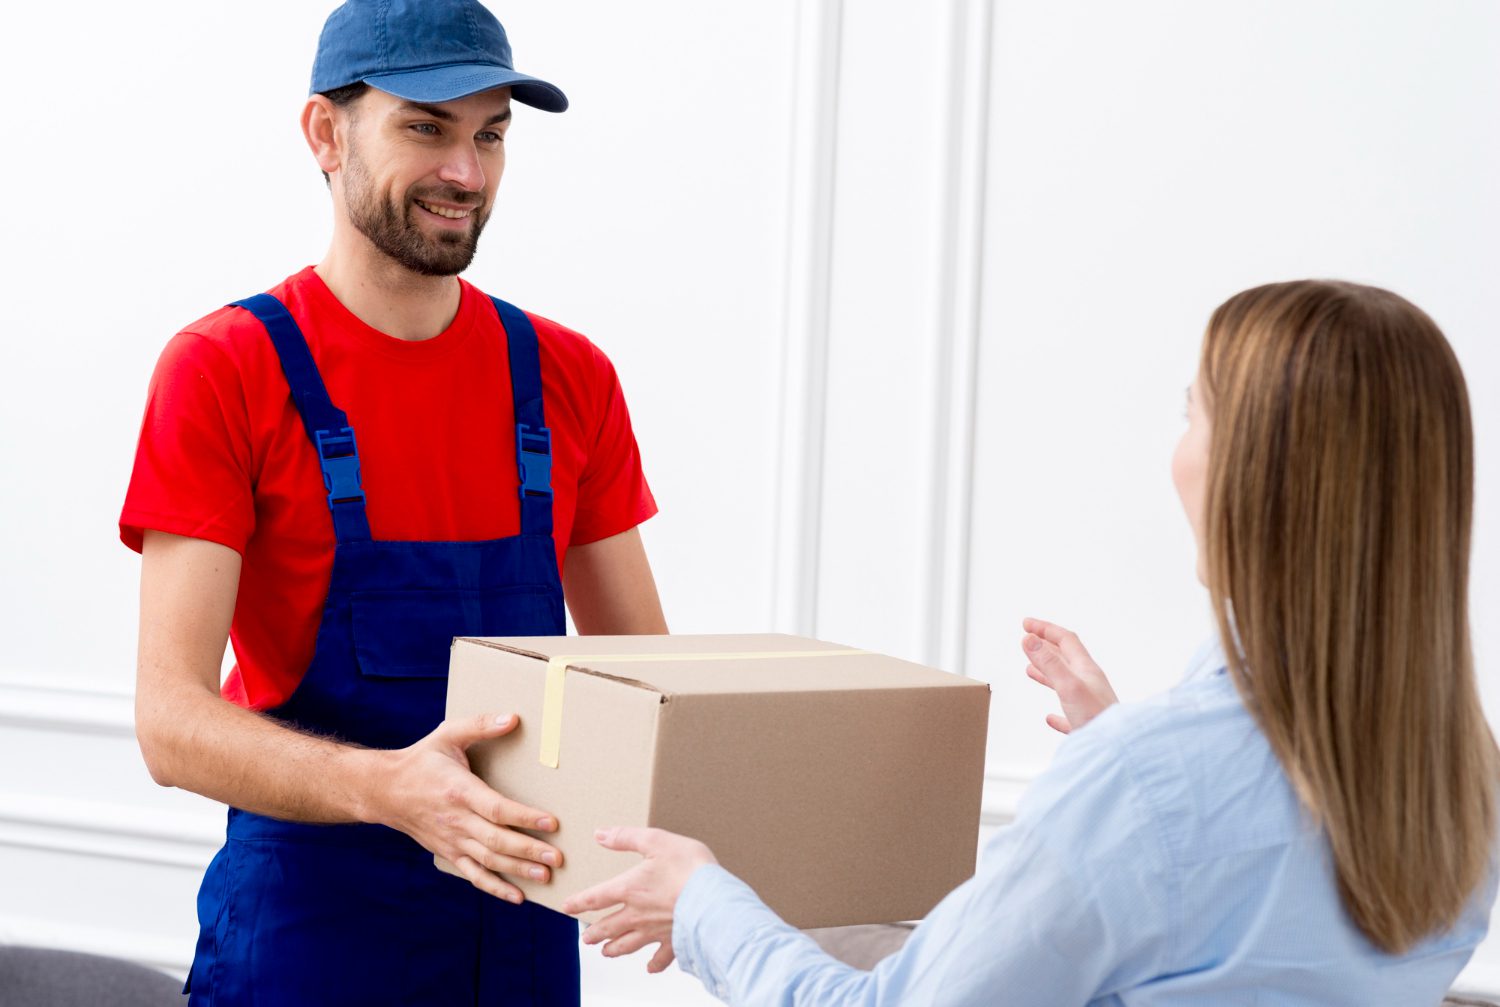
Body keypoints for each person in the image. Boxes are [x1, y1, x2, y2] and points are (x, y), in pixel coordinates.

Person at [563, 280, 1500, 1004]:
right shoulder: (1461, 776)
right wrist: (1119, 749)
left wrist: (702, 906)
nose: (1178, 444)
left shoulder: (1148, 782)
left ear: (1248, 477)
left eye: (1194, 411)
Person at [120, 1, 667, 1003]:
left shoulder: (568, 375)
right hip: (310, 943)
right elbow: (170, 721)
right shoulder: (226, 370)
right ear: (326, 134)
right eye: (426, 126)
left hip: (520, 942)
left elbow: (647, 685)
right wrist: (392, 790)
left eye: (490, 134)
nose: (467, 171)